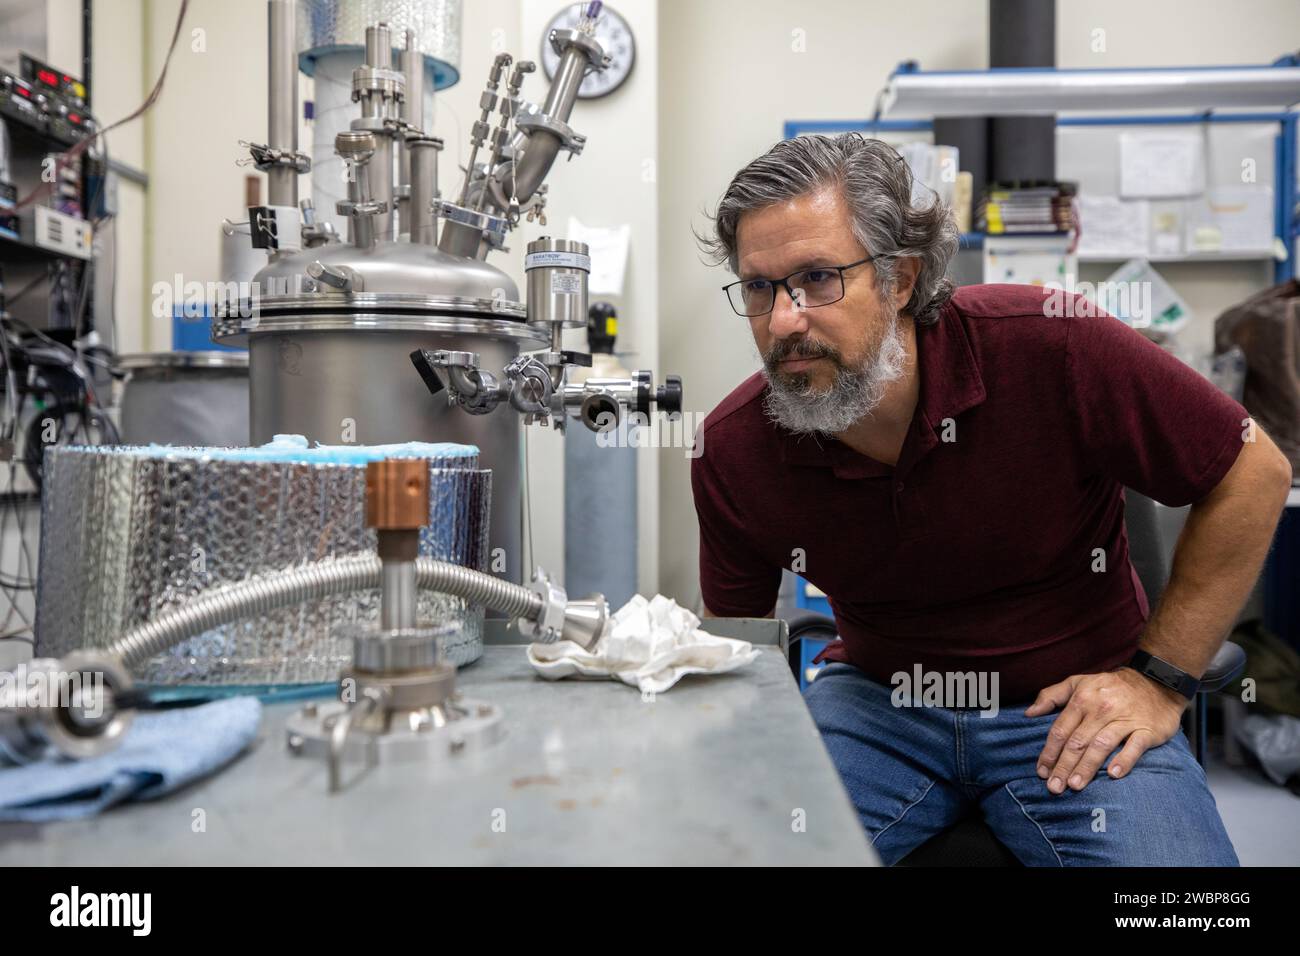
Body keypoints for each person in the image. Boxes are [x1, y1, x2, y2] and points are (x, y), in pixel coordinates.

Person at [690, 132, 1293, 865]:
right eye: (759, 287)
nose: (784, 320)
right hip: (877, 706)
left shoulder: (1050, 345)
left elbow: (1252, 470)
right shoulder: (732, 448)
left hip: (1074, 705)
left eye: (818, 277)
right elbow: (740, 652)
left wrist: (1159, 682)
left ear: (900, 278)